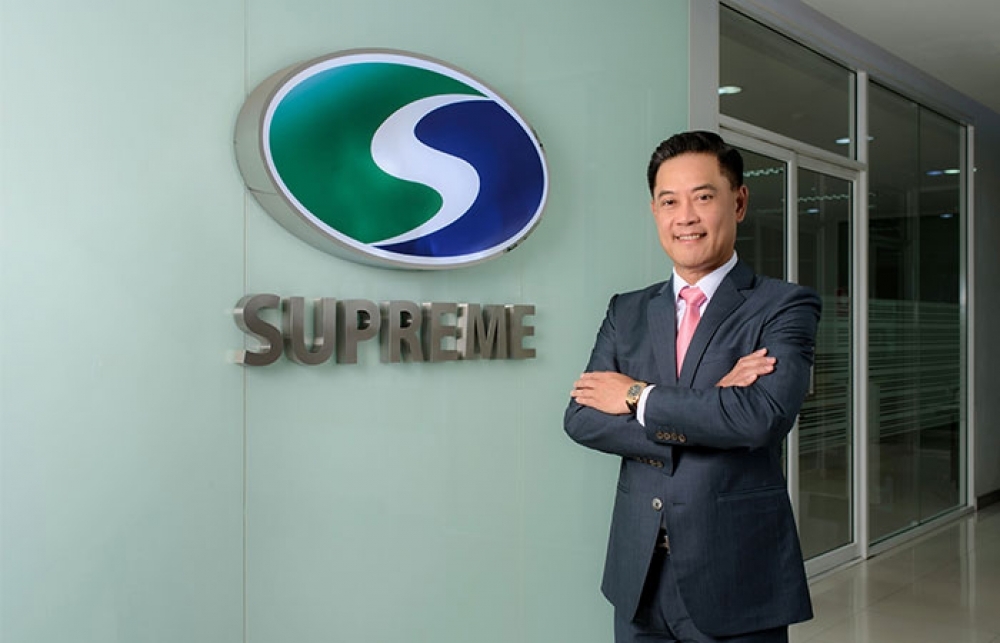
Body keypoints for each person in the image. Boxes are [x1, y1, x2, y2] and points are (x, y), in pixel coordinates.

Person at [565, 131, 819, 642]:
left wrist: (637, 397)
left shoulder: (783, 305)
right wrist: (712, 404)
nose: (685, 217)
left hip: (736, 577)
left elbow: (760, 418)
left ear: (738, 202)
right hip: (638, 576)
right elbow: (582, 419)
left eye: (703, 197)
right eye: (669, 201)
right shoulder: (626, 310)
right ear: (654, 211)